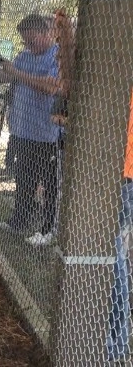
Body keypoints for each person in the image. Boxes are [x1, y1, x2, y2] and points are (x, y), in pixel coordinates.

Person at [0, 13, 67, 246]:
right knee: (24, 180)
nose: (27, 46)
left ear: (47, 35)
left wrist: (16, 73)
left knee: (50, 185)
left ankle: (47, 230)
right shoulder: (24, 55)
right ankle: (19, 221)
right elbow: (9, 75)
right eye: (25, 41)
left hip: (47, 135)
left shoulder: (57, 57)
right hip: (23, 131)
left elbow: (52, 87)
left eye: (32, 41)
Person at [106, 91, 133, 361]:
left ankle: (116, 338)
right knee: (116, 254)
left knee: (114, 256)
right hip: (121, 173)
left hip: (125, 176)